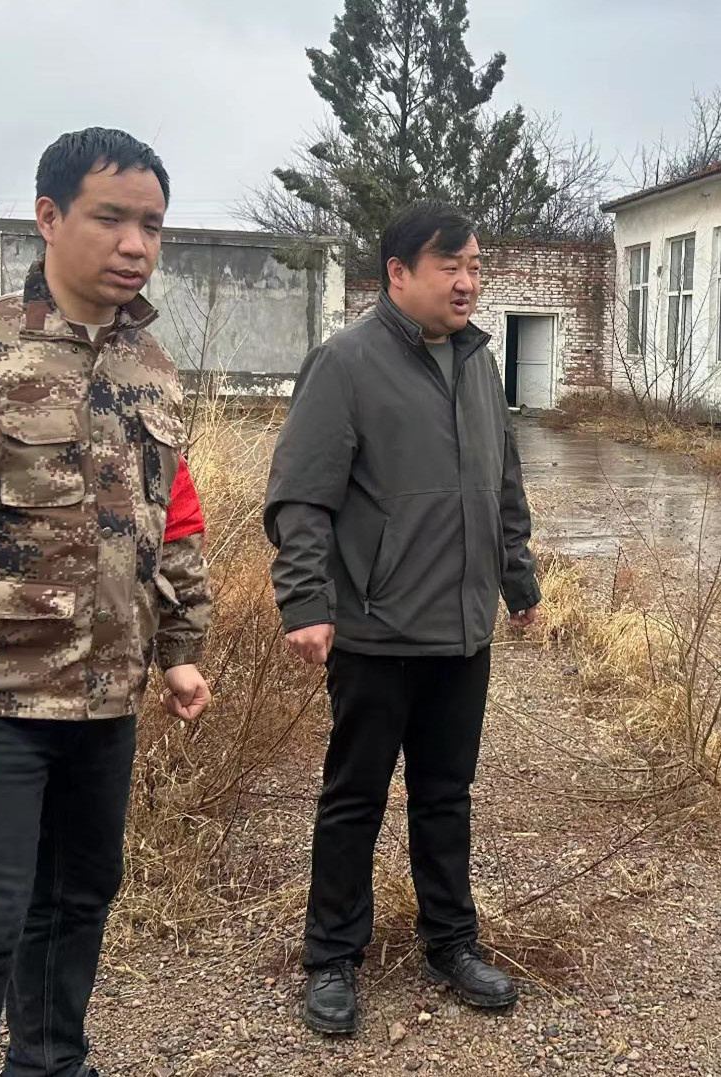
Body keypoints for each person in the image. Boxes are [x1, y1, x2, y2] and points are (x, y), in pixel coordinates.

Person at [0, 127, 213, 1077]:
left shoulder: (151, 366)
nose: (135, 244)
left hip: (105, 701)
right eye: (111, 218)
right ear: (49, 217)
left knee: (77, 902)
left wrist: (181, 643)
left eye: (152, 225)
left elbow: (168, 517)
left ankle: (51, 1065)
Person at [264, 201, 541, 1035]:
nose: (467, 282)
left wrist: (518, 580)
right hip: (376, 629)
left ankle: (451, 942)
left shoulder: (478, 364)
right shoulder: (345, 362)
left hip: (462, 630)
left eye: (475, 266)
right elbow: (301, 495)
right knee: (354, 796)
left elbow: (503, 485)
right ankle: (331, 957)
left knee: (445, 794)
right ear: (397, 273)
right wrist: (306, 601)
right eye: (450, 266)